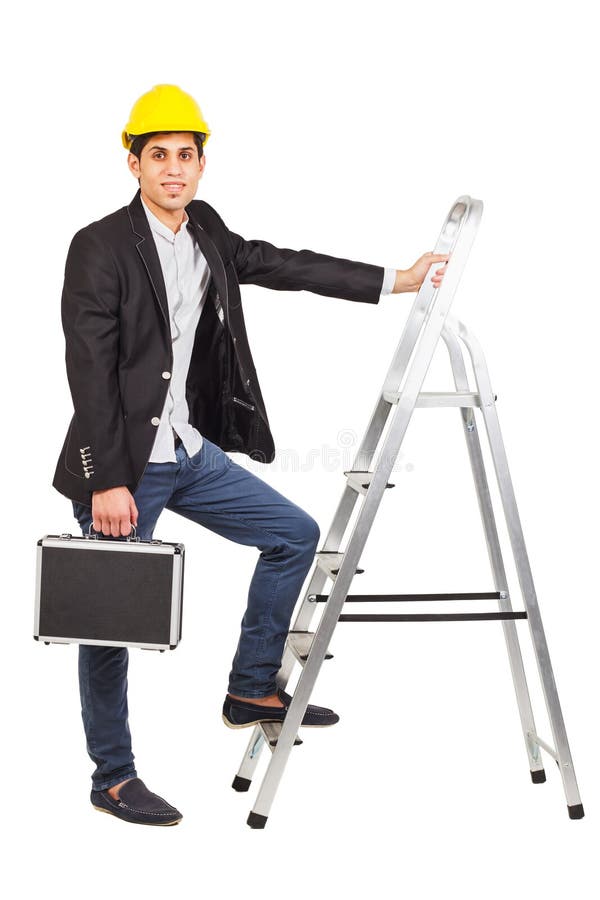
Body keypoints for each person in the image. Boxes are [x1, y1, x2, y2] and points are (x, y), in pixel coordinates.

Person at [52, 83, 449, 827]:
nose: (174, 170)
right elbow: (89, 373)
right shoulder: (99, 245)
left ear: (202, 166)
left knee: (292, 534)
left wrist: (395, 280)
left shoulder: (203, 227)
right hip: (121, 466)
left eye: (187, 157)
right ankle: (112, 777)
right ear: (133, 163)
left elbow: (277, 263)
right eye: (159, 156)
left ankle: (250, 686)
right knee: (111, 624)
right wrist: (106, 480)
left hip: (187, 452)